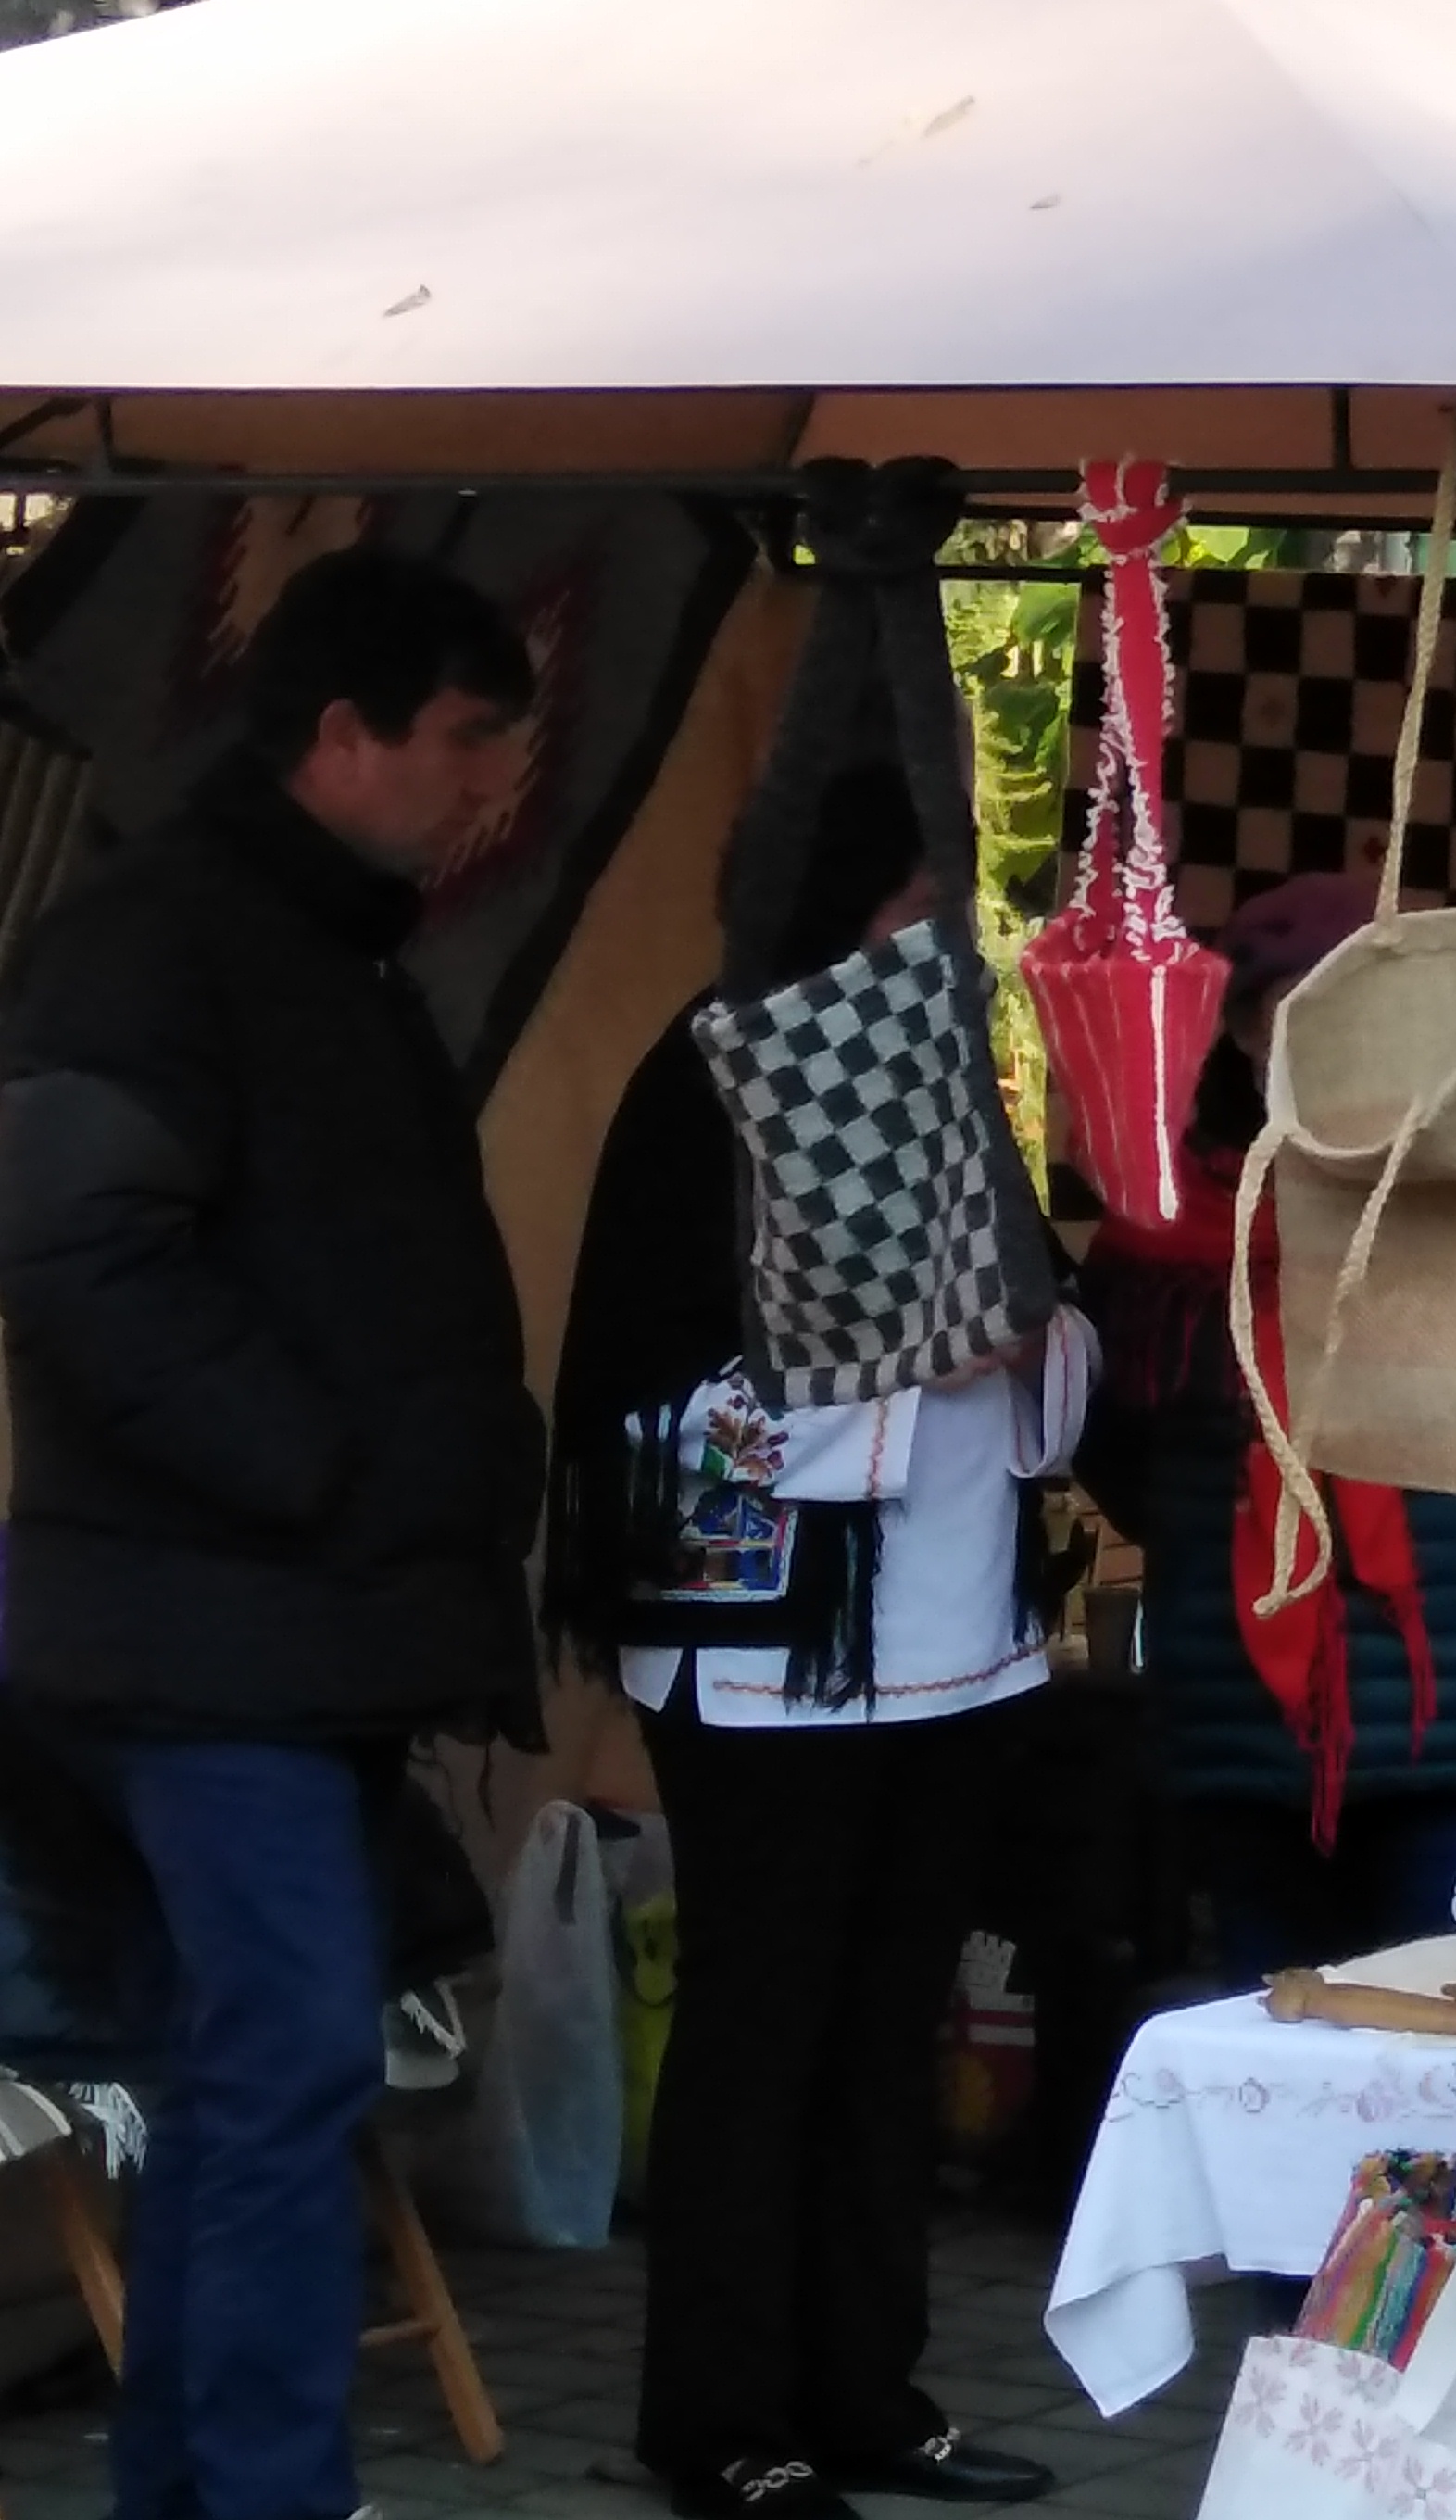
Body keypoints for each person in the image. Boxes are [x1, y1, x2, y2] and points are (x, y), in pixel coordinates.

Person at [0, 546, 540, 2520]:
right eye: (467, 736)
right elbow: (73, 1251)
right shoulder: (164, 944)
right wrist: (321, 1470)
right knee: (289, 2060)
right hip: (201, 1630)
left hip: (271, 1623)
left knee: (257, 2070)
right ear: (342, 732)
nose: (490, 781)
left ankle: (206, 2490)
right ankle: (256, 2492)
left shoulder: (320, 947)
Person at [552, 765, 1093, 2520]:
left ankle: (868, 2392)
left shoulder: (957, 1082)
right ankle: (720, 2421)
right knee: (764, 2024)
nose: (950, 949)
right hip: (765, 1650)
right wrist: (906, 1368)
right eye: (918, 912)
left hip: (952, 1630)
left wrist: (1033, 1349)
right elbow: (644, 1386)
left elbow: (1039, 1316)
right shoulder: (712, 1076)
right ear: (827, 905)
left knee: (887, 2020)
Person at [1075, 871, 1456, 1974]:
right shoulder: (1161, 1237)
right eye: (1294, 1011)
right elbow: (1121, 1459)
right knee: (1267, 2036)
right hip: (1243, 1735)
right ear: (1242, 1037)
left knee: (1432, 2041)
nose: (1327, 1038)